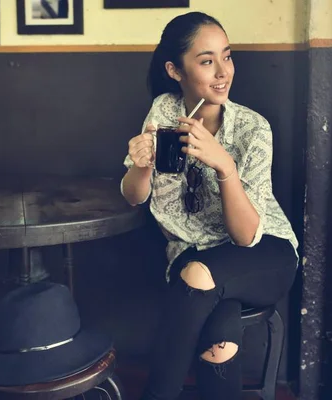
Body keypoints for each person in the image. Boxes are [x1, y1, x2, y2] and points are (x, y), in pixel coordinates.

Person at [120, 12, 299, 400]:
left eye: (227, 56)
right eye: (206, 61)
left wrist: (224, 165)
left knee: (201, 276)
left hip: (263, 251)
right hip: (193, 255)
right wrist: (140, 165)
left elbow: (246, 235)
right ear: (175, 70)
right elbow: (134, 196)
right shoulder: (164, 113)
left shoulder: (253, 128)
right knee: (220, 340)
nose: (223, 72)